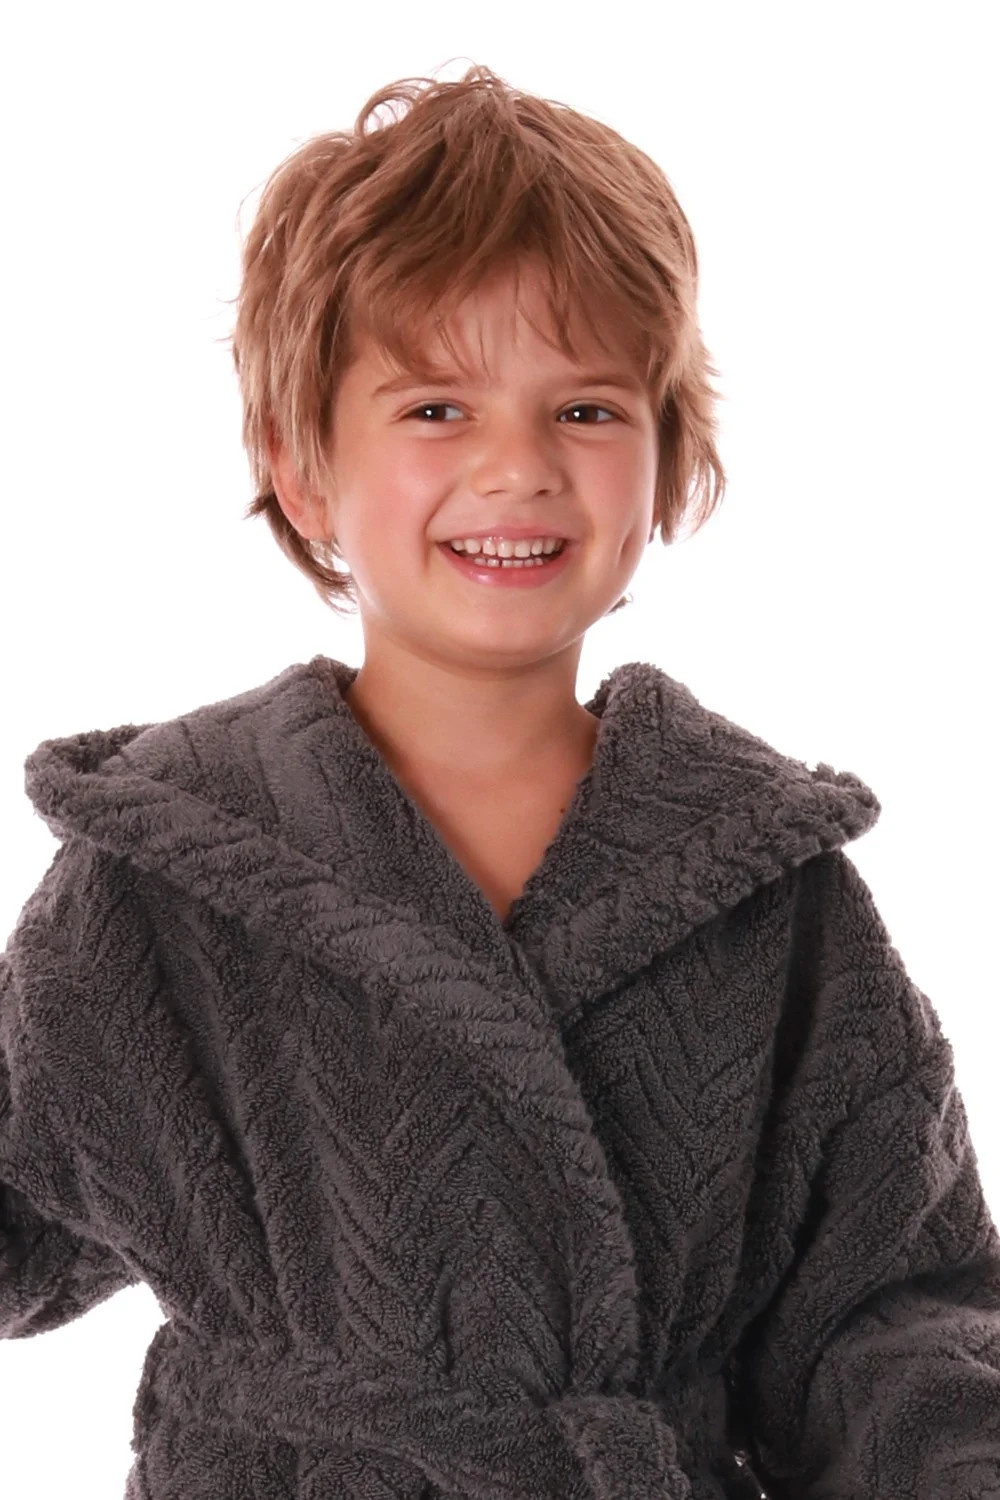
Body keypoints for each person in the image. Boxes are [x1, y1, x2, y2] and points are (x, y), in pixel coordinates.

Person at [3, 61, 998, 1500]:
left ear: (668, 463)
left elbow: (885, 1306)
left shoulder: (764, 888)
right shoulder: (168, 867)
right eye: (435, 410)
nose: (518, 466)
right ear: (302, 468)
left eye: (585, 410)